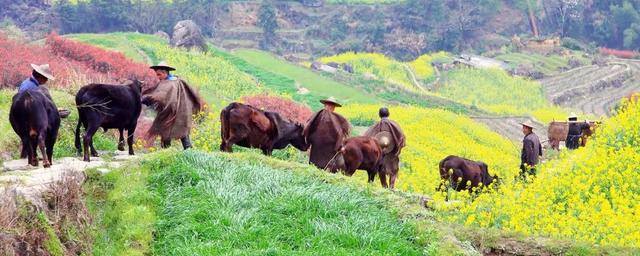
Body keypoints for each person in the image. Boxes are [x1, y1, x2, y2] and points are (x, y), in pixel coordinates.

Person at [142, 61, 204, 150]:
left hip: (177, 111)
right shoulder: (177, 80)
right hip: (178, 111)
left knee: (174, 131)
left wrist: (149, 98)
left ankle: (175, 151)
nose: (158, 77)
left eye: (159, 74)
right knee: (179, 131)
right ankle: (179, 151)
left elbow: (161, 95)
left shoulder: (170, 83)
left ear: (164, 72)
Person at [303, 97, 351, 171]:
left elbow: (340, 133)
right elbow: (309, 126)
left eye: (332, 106)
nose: (330, 107)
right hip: (317, 144)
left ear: (334, 107)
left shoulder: (337, 119)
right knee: (314, 166)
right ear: (325, 105)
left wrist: (340, 146)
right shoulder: (317, 115)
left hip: (329, 147)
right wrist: (309, 140)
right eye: (328, 105)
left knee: (327, 167)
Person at [363, 107, 405, 189]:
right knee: (394, 170)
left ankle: (384, 187)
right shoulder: (394, 124)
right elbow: (401, 137)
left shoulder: (376, 125)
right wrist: (397, 147)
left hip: (381, 152)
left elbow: (367, 136)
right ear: (388, 114)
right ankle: (392, 187)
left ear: (379, 115)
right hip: (392, 151)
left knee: (381, 170)